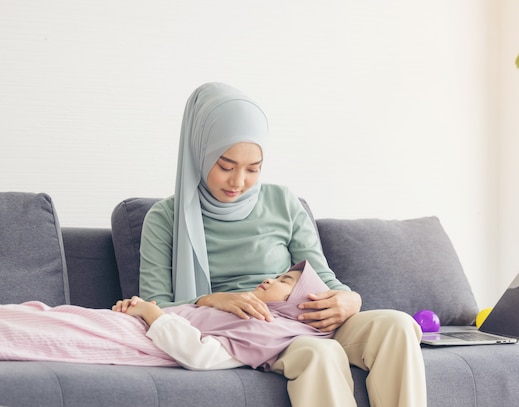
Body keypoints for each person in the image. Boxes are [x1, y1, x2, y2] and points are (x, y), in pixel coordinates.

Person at [130, 82, 427, 407]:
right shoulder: (164, 218)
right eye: (225, 166)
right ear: (199, 150)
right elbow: (154, 306)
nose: (239, 181)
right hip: (251, 329)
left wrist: (349, 299)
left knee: (398, 325)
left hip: (305, 314)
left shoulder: (283, 201)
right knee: (319, 352)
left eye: (253, 168)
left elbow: (322, 277)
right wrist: (212, 300)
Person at [0, 261, 332, 371]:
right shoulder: (242, 309)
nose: (271, 279)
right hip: (132, 324)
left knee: (51, 330)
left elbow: (200, 354)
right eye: (278, 274)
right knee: (44, 314)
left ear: (301, 306)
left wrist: (150, 312)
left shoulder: (270, 333)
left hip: (140, 337)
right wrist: (140, 311)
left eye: (285, 282)